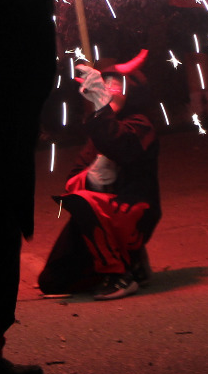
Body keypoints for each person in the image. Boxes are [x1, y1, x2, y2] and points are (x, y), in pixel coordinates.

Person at [37, 52, 161, 300]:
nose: (110, 91)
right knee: (53, 281)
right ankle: (132, 262)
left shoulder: (140, 123)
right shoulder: (98, 130)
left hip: (133, 211)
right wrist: (90, 177)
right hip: (100, 215)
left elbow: (122, 144)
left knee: (84, 202)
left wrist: (103, 112)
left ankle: (119, 274)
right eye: (105, 86)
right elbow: (72, 182)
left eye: (116, 86)